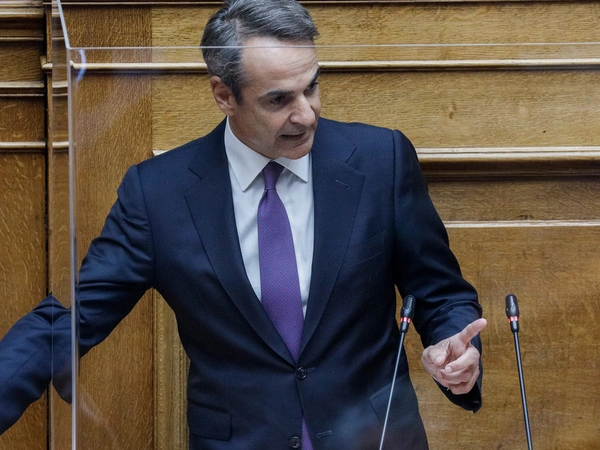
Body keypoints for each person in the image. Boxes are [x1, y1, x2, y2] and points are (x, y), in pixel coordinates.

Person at [0, 0, 486, 448]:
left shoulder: (382, 160)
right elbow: (71, 317)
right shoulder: (159, 194)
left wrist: (453, 348)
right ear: (224, 95)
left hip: (374, 437)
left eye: (312, 87)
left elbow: (440, 292)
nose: (306, 114)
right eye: (278, 100)